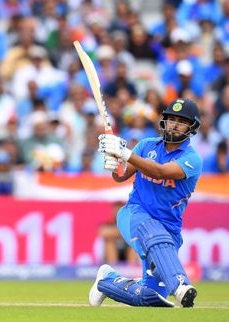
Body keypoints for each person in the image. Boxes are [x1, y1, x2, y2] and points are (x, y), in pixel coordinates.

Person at [90, 98, 202, 308]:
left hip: (168, 230)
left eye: (181, 121)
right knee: (152, 231)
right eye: (171, 119)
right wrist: (114, 161)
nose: (174, 124)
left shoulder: (192, 159)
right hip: (134, 213)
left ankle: (106, 281)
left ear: (192, 127)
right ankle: (180, 285)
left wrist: (126, 153)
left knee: (149, 297)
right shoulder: (146, 145)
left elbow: (159, 171)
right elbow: (121, 176)